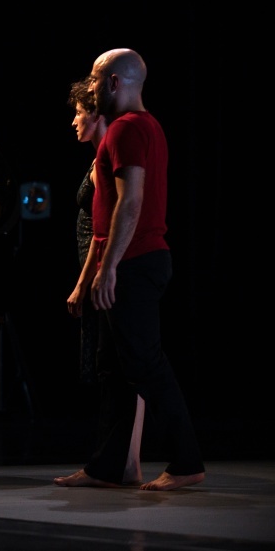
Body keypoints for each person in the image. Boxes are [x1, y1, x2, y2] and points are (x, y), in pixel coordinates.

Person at [54, 49, 204, 491]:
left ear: (116, 83)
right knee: (114, 369)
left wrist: (110, 269)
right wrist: (88, 279)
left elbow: (130, 203)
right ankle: (107, 467)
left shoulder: (127, 129)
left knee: (145, 364)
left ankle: (185, 463)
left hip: (136, 263)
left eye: (97, 79)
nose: (92, 86)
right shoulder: (142, 127)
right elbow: (103, 219)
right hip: (129, 261)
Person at [65, 77, 145, 485]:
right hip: (100, 270)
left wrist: (86, 280)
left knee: (119, 367)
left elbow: (102, 232)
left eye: (79, 114)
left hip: (105, 272)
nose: (74, 122)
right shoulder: (100, 158)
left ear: (95, 115)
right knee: (117, 367)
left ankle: (118, 463)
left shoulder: (104, 163)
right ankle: (124, 463)